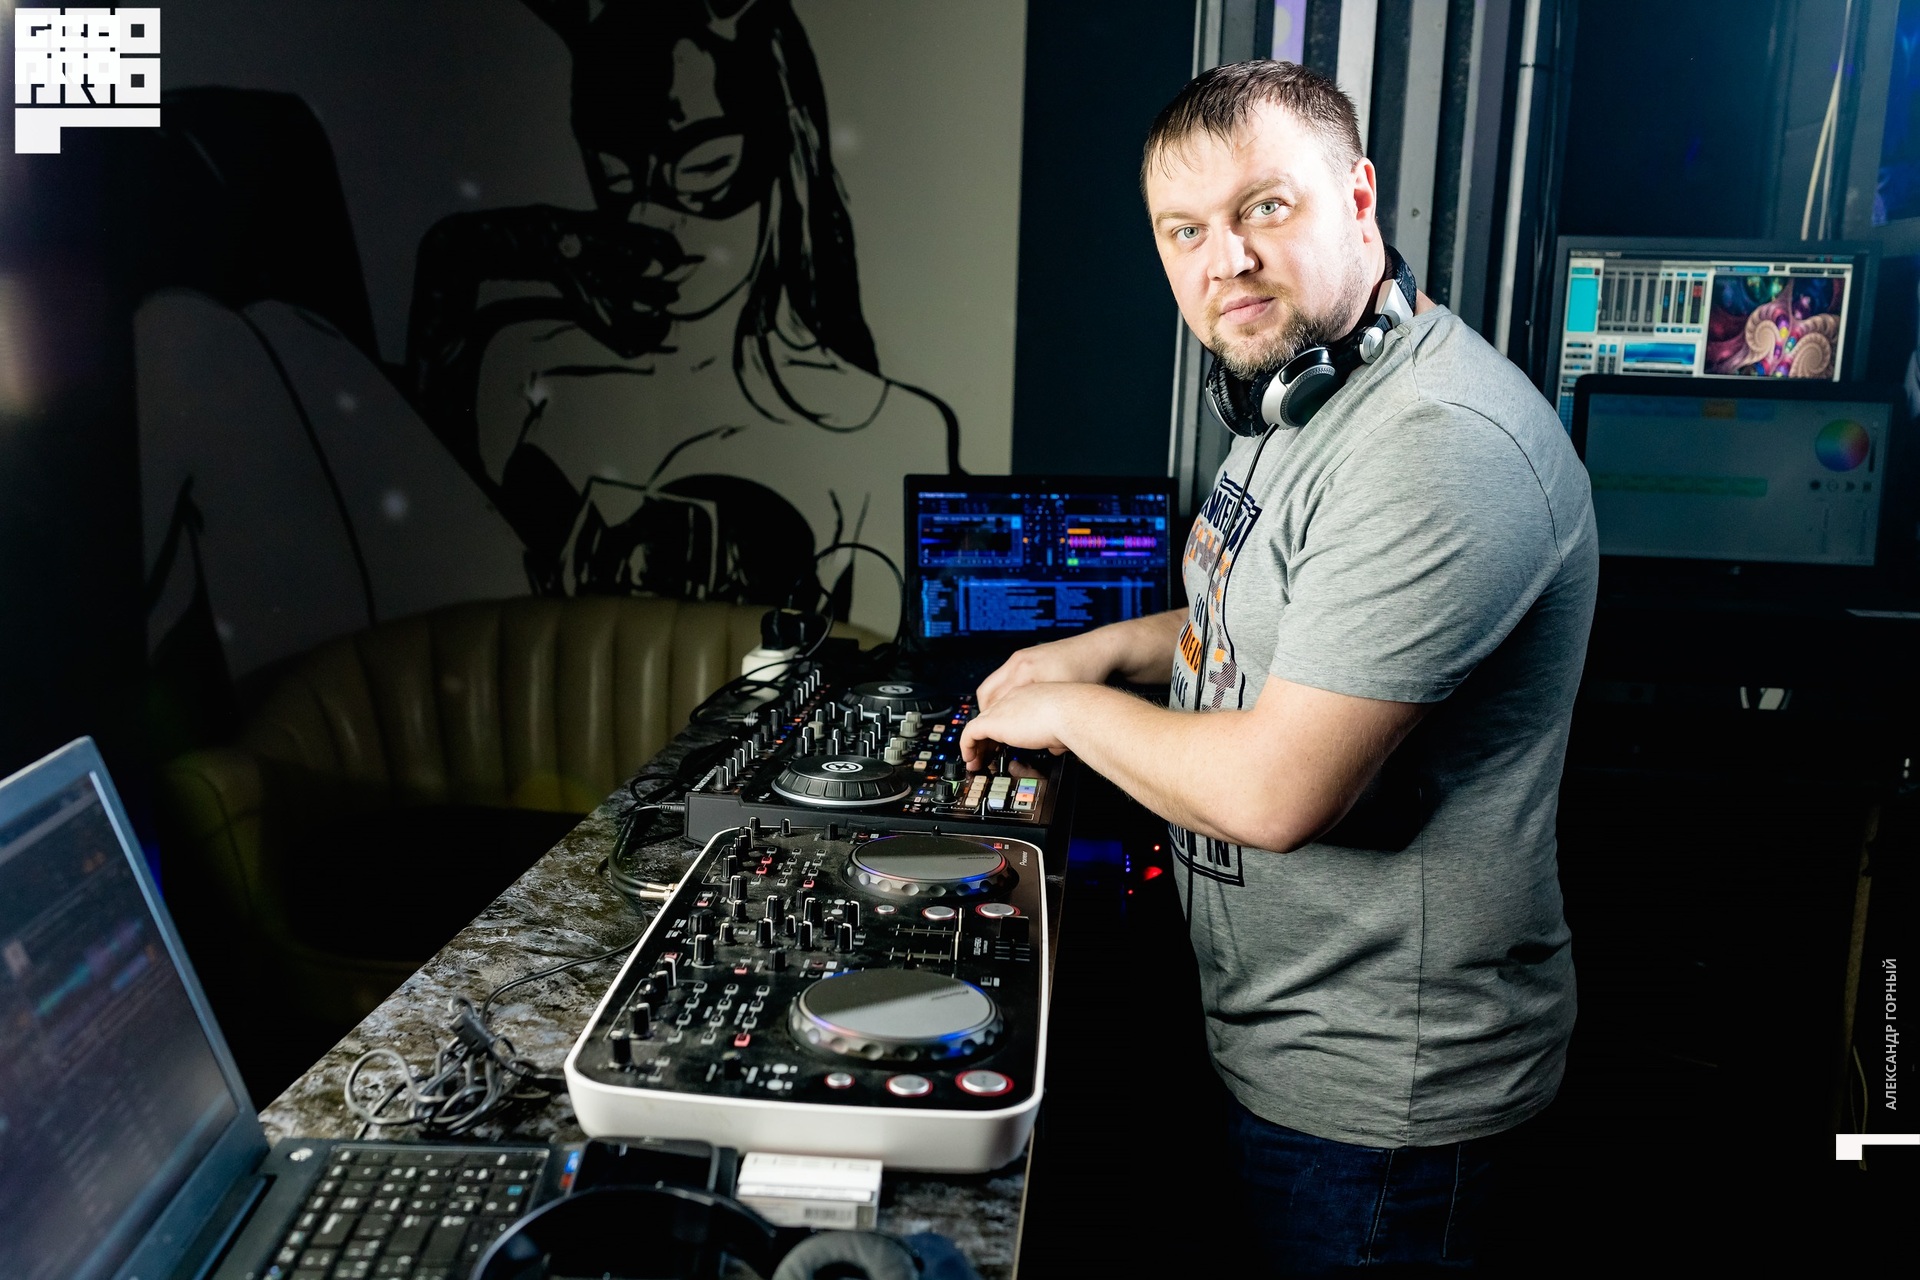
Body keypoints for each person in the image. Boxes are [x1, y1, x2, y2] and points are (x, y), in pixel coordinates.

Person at [959, 61, 1597, 1273]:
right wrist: (1097, 649)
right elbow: (1265, 622)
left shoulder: (1435, 445)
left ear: (1358, 197)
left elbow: (1277, 789)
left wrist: (1073, 710)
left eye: (1264, 207)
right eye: (1186, 230)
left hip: (1384, 1111)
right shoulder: (1298, 398)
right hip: (1278, 1049)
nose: (1227, 260)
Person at [407, 0, 957, 629]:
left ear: (778, 149)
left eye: (704, 168)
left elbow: (899, 663)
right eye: (617, 180)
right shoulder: (523, 365)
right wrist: (489, 247)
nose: (653, 221)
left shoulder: (888, 428)